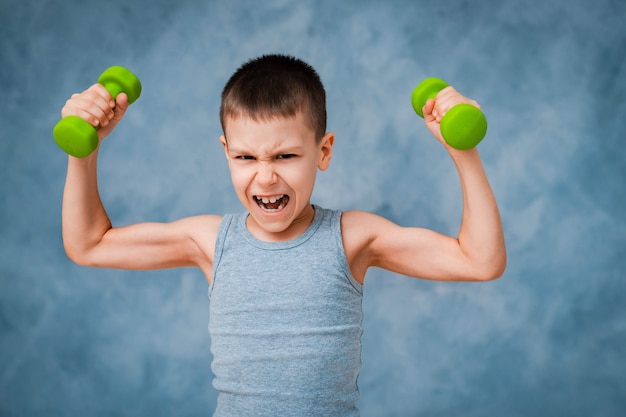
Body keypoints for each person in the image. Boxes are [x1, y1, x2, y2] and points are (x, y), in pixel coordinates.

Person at [60, 54, 506, 416]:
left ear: (323, 151)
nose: (266, 176)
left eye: (286, 155)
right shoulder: (212, 241)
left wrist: (463, 152)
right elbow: (88, 244)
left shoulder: (352, 237)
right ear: (226, 153)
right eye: (246, 157)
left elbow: (479, 261)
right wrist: (86, 151)